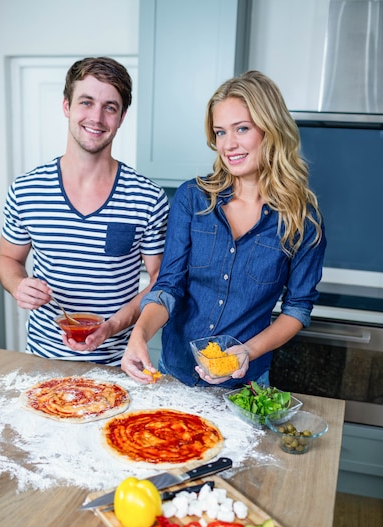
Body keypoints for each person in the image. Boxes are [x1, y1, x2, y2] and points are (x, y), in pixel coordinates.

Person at [121, 70, 326, 386]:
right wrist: (139, 333)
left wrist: (247, 351)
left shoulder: (302, 220)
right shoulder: (193, 198)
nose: (229, 145)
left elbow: (296, 310)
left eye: (241, 129)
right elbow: (168, 285)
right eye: (220, 133)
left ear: (270, 130)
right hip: (174, 373)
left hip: (244, 385)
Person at [0, 57, 169, 365]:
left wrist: (113, 326)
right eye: (86, 102)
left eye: (110, 107)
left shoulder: (148, 198)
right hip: (42, 360)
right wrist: (18, 285)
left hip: (117, 364)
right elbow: (9, 259)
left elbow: (160, 280)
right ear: (66, 106)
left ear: (122, 116)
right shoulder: (26, 190)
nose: (97, 117)